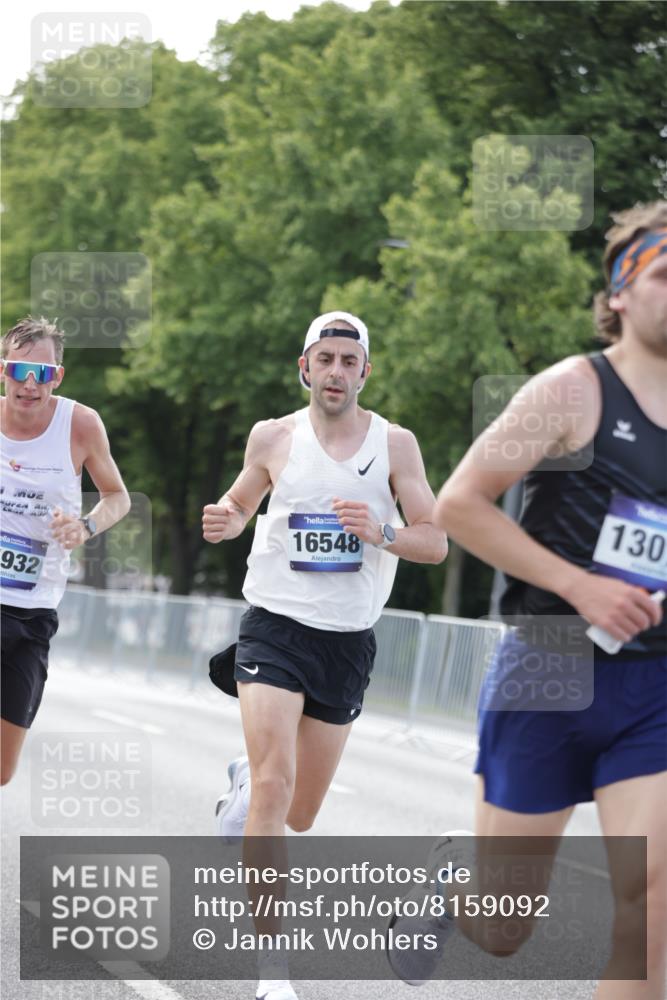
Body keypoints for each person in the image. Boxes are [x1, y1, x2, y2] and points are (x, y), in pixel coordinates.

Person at [388, 204, 667, 999]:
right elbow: (461, 504)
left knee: (646, 911)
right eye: (664, 274)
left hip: (653, 687)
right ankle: (453, 891)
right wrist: (580, 585)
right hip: (549, 670)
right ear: (619, 291)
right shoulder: (570, 391)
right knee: (503, 927)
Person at [202, 310, 447, 1000]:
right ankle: (271, 973)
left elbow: (435, 541)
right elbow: (241, 500)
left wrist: (385, 531)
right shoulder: (272, 435)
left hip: (345, 643)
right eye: (324, 358)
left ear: (364, 372)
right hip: (274, 627)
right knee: (276, 787)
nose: (336, 371)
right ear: (303, 367)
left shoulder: (396, 446)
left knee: (299, 813)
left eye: (349, 360)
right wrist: (225, 518)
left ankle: (243, 785)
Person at [1, 316, 130, 785]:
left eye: (42, 373)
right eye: (19, 370)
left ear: (57, 376)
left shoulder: (79, 424)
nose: (29, 384)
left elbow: (118, 497)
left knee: (3, 770)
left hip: (34, 610)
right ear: (2, 371)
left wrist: (85, 526)